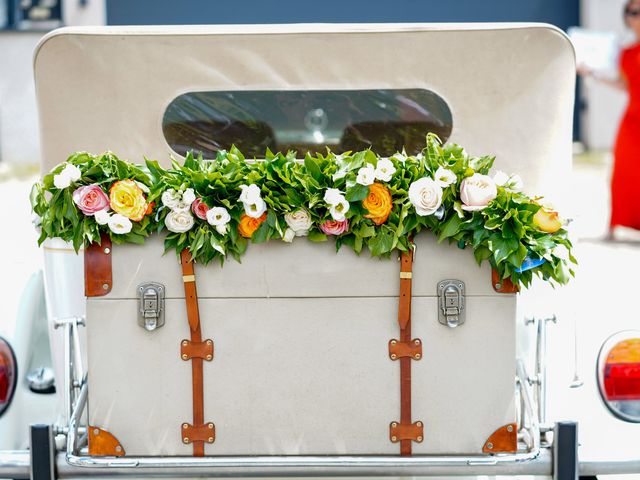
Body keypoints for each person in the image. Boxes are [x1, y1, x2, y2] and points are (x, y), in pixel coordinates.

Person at [580, 0, 640, 238]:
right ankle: (615, 225)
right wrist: (592, 73)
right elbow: (625, 86)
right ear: (627, 17)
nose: (637, 16)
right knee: (624, 172)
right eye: (633, 12)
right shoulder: (625, 52)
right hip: (632, 119)